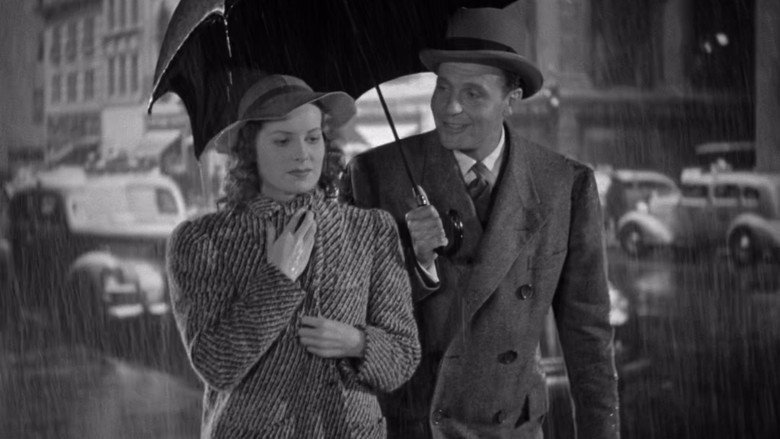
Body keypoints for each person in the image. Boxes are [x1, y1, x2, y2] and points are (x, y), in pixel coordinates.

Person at [342, 8, 619, 439]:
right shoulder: (376, 175)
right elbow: (350, 318)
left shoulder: (565, 184)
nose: (450, 107)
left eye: (473, 94)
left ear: (512, 99)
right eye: (443, 87)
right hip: (410, 426)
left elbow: (588, 340)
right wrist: (415, 265)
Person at [166, 74, 421, 439]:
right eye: (282, 140)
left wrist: (357, 342)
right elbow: (217, 365)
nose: (302, 154)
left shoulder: (370, 230)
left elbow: (403, 357)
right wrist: (278, 280)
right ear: (250, 150)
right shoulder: (202, 241)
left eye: (313, 138)